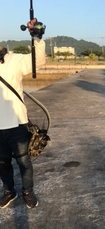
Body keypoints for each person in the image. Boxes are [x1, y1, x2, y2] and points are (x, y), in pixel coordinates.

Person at [0, 18, 46, 209]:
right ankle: (10, 191)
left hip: (17, 123)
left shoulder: (14, 60)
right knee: (2, 164)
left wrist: (37, 37)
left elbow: (38, 61)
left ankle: (28, 191)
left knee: (24, 162)